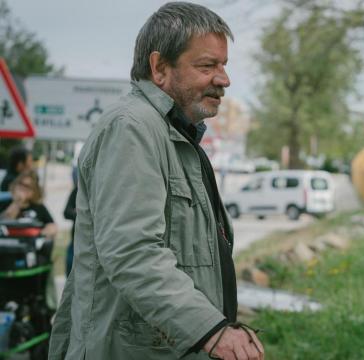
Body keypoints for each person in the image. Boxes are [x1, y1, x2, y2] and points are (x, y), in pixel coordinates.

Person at [49, 2, 264, 359]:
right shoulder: (132, 129)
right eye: (208, 65)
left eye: (224, 66)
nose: (224, 79)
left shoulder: (174, 135)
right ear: (160, 68)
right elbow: (133, 251)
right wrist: (211, 332)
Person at [0, 170, 57, 239]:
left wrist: (40, 235)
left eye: (27, 186)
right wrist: (17, 202)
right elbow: (5, 221)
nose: (23, 188)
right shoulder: (5, 203)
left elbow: (52, 226)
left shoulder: (39, 207)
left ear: (34, 191)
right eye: (21, 184)